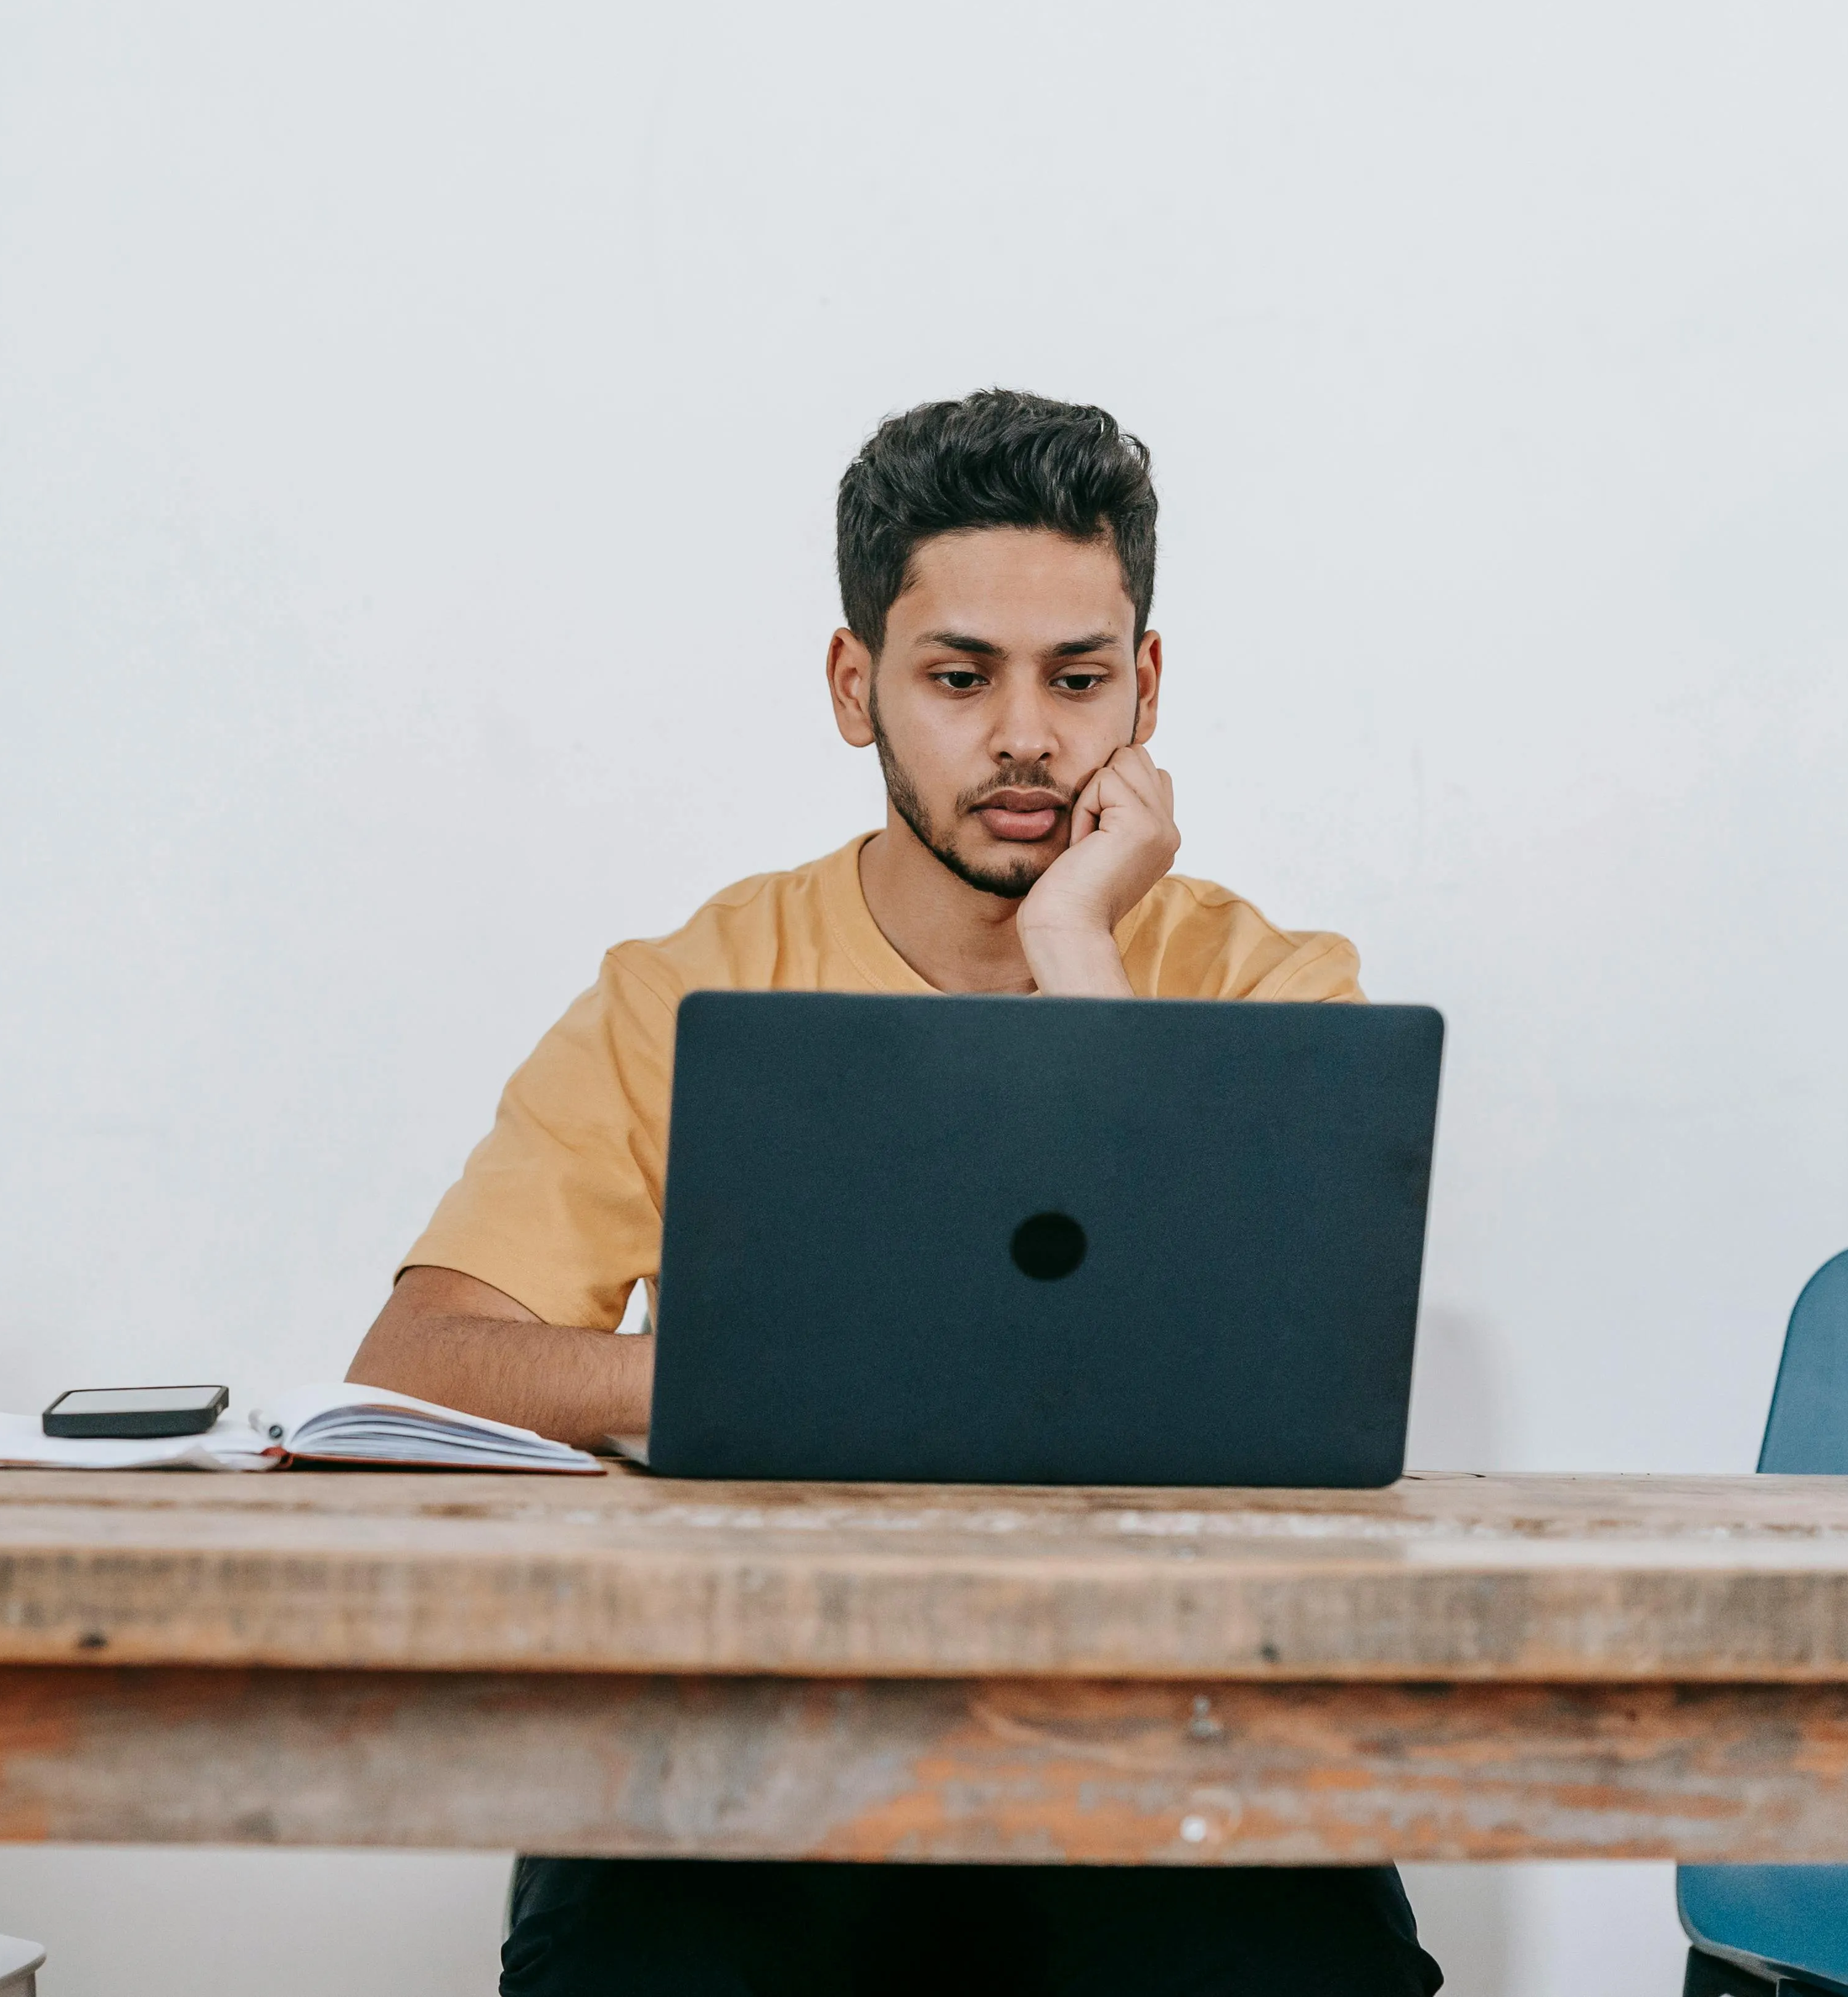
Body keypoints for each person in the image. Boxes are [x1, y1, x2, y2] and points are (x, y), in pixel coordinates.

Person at [348, 389, 1442, 1996]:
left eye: (1077, 680)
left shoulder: (1268, 991)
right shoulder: (693, 987)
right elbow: (421, 1365)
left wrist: (1080, 956)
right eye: (956, 677)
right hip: (749, 1745)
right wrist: (795, 1395)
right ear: (855, 687)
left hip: (1167, 1741)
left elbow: (1279, 1387)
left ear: (1143, 688)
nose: (1024, 735)